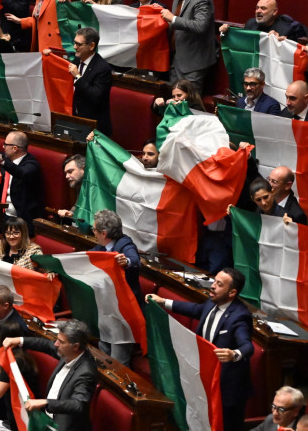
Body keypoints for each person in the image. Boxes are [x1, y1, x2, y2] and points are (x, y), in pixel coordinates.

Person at [148, 268, 254, 431]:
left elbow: (247, 346)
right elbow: (195, 310)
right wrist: (163, 302)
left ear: (232, 292)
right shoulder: (212, 302)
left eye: (219, 284)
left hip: (228, 387)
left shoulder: (239, 316)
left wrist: (234, 354)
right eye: (214, 281)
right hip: (204, 376)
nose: (213, 286)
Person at [3, 320, 98, 431]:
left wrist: (46, 402)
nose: (56, 344)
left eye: (61, 342)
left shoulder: (86, 371)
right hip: (47, 419)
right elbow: (45, 345)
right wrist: (19, 340)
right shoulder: (68, 352)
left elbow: (78, 404)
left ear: (75, 346)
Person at [90, 209, 141, 364]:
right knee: (104, 354)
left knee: (118, 362)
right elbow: (82, 258)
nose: (93, 232)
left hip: (123, 314)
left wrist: (126, 262)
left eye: (94, 229)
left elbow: (134, 260)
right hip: (106, 309)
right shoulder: (100, 248)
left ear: (103, 233)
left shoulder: (125, 244)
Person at [161, 0, 217, 93]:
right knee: (174, 100)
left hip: (194, 62)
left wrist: (172, 18)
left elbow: (200, 26)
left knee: (190, 103)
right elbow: (175, 22)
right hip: (177, 58)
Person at [0, 131, 43, 230]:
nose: (3, 147)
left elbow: (21, 173)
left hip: (20, 220)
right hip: (0, 215)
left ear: (14, 148)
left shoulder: (31, 165)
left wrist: (1, 160)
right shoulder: (5, 158)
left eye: (5, 144)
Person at [70, 27, 113, 135]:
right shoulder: (76, 60)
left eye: (79, 44)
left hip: (94, 127)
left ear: (92, 46)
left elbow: (96, 96)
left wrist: (78, 77)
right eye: (74, 43)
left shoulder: (102, 68)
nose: (75, 47)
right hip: (75, 120)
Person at [220, 0, 306, 41]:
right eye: (257, 8)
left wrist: (279, 42)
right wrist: (226, 33)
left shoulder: (286, 30)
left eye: (263, 8)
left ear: (274, 12)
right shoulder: (250, 23)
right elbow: (241, 43)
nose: (258, 11)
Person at [58, 154, 84, 220]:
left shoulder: (96, 187)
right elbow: (78, 206)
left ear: (83, 169)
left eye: (70, 171)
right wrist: (70, 213)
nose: (66, 176)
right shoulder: (79, 184)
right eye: (66, 173)